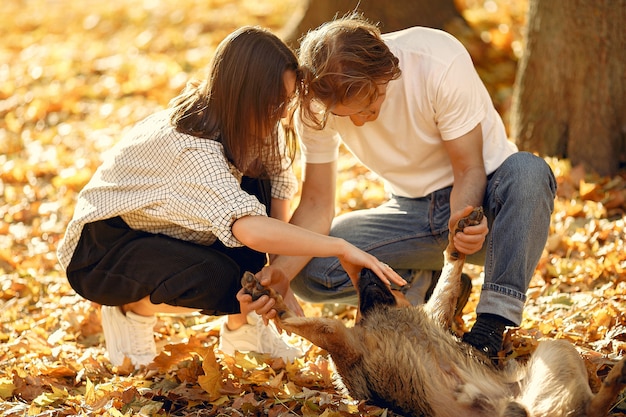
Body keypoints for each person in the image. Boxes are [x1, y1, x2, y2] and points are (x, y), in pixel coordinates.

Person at [56, 25, 405, 368]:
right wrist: (341, 247)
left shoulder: (256, 127)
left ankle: (244, 331)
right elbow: (250, 229)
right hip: (103, 250)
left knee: (253, 244)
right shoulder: (194, 148)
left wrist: (276, 279)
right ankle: (130, 310)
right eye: (276, 103)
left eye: (286, 101)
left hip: (173, 229)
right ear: (245, 96)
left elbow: (272, 212)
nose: (284, 113)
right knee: (221, 282)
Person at [250, 14, 556, 361]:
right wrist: (281, 273)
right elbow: (317, 204)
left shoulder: (437, 61)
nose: (360, 121)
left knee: (530, 172)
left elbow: (469, 168)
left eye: (367, 106)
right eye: (348, 114)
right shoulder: (317, 107)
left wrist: (465, 222)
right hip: (410, 215)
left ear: (386, 74)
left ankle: (490, 326)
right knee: (312, 267)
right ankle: (432, 286)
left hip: (489, 206)